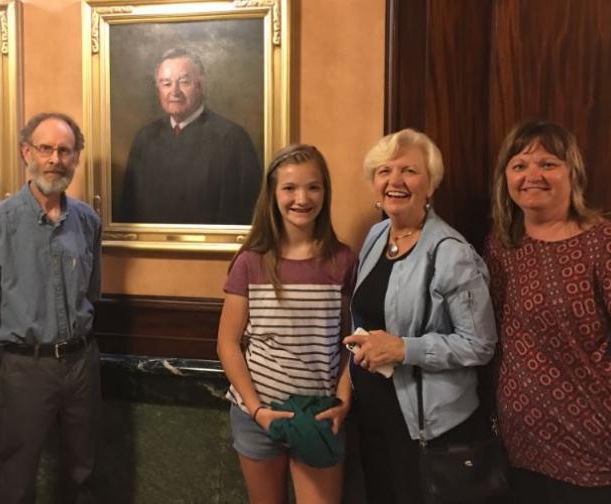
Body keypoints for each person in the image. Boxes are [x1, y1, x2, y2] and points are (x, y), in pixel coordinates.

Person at [343, 128, 497, 504]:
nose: (395, 180)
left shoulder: (451, 252)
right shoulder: (376, 235)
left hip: (428, 430)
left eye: (409, 171)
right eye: (384, 171)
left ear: (430, 185)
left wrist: (403, 349)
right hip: (373, 415)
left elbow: (480, 344)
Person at [485, 120, 611, 503]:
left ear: (573, 172)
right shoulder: (500, 246)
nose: (532, 175)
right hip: (516, 451)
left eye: (548, 164)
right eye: (519, 165)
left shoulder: (607, 244)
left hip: (594, 455)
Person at [0, 112, 102, 504]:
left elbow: (91, 293)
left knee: (83, 472)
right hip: (25, 367)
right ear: (26, 152)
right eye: (46, 149)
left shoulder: (88, 220)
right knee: (17, 476)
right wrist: (11, 356)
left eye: (65, 150)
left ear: (76, 158)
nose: (55, 159)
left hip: (81, 364)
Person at [217, 144, 356, 503]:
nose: (302, 199)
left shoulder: (342, 261)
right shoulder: (250, 262)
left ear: (325, 192)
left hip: (320, 412)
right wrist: (257, 409)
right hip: (259, 413)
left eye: (313, 187)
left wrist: (343, 399)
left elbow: (351, 341)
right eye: (290, 188)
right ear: (273, 194)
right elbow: (228, 344)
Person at [119, 47, 262, 224]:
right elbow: (128, 211)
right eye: (166, 84)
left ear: (201, 86)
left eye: (184, 82)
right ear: (158, 90)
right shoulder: (145, 138)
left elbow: (247, 214)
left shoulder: (232, 139)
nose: (175, 92)